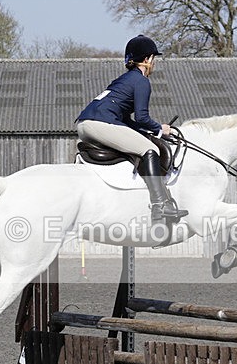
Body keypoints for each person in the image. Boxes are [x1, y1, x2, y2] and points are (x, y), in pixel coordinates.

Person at [76, 35, 188, 223]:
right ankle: (160, 205)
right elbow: (142, 117)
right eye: (153, 59)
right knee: (149, 150)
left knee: (142, 142)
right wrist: (160, 129)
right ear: (147, 59)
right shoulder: (141, 81)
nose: (154, 63)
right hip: (101, 124)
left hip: (85, 124)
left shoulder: (124, 79)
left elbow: (127, 122)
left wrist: (149, 131)